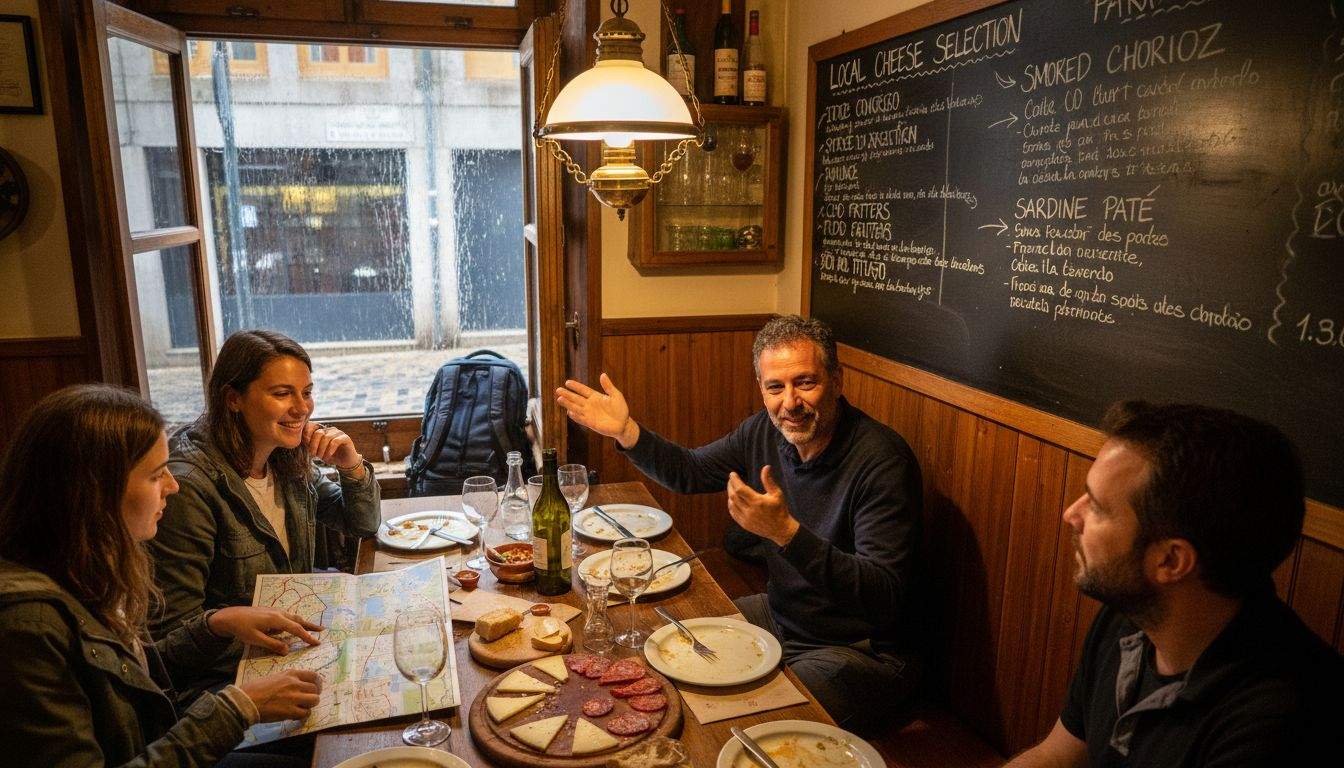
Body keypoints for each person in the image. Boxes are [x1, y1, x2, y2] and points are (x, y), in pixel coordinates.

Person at [557, 314, 923, 734]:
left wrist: (786, 533)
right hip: (784, 616)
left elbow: (883, 597)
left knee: (754, 722)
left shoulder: (882, 462)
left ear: (837, 381)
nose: (789, 402)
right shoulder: (765, 432)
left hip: (862, 651)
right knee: (663, 645)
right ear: (762, 390)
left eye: (805, 382)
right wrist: (626, 431)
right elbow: (691, 471)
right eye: (775, 387)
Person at [0, 384, 326, 767]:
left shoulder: (84, 569)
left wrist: (215, 625)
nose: (173, 486)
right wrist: (238, 708)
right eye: (157, 475)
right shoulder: (27, 627)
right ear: (93, 492)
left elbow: (133, 681)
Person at [1006, 402, 1343, 767]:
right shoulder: (1133, 616)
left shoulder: (1277, 722)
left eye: (1098, 508)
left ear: (1171, 560)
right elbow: (1057, 757)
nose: (1072, 514)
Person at [148, 330, 380, 700]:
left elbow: (361, 524)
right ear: (234, 398)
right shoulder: (189, 487)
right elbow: (169, 642)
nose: (302, 408)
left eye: (306, 392)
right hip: (227, 683)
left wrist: (351, 466)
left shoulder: (284, 455)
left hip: (290, 651)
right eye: (282, 393)